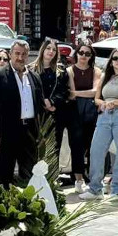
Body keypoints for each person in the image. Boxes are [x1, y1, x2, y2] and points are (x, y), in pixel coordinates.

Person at [80, 48, 118, 200]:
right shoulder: (105, 77)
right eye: (115, 58)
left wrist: (115, 102)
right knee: (96, 150)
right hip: (105, 117)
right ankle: (95, 189)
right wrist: (104, 103)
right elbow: (97, 98)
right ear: (111, 61)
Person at [0, 39, 43, 186]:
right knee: (4, 175)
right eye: (17, 53)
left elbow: (39, 106)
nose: (20, 57)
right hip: (7, 133)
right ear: (11, 54)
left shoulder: (34, 77)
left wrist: (39, 133)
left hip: (29, 132)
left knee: (30, 175)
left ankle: (27, 206)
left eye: (24, 54)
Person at [32, 39, 72, 173]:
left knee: (54, 148)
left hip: (56, 115)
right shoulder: (32, 70)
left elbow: (65, 91)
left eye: (54, 50)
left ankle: (52, 178)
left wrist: (53, 102)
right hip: (37, 115)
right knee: (36, 148)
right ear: (42, 50)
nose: (51, 52)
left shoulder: (60, 71)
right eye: (48, 48)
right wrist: (43, 103)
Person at [66, 42, 100, 194]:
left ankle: (91, 177)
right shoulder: (70, 71)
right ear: (76, 54)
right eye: (81, 53)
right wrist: (84, 93)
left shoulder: (96, 71)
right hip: (74, 112)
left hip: (91, 113)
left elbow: (95, 91)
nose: (84, 56)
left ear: (91, 56)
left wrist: (79, 93)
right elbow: (71, 93)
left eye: (87, 54)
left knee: (90, 145)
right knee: (76, 146)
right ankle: (78, 178)